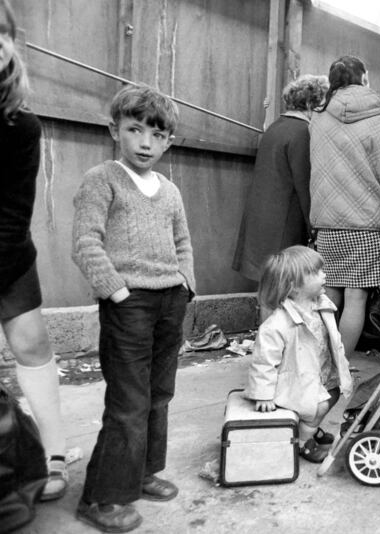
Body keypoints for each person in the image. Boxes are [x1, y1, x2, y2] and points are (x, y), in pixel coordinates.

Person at [72, 85, 194, 532]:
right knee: (128, 401)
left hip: (170, 301)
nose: (145, 142)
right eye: (134, 130)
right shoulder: (102, 179)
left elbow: (183, 242)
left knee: (159, 395)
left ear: (168, 141)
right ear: (114, 130)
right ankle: (101, 498)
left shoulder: (170, 190)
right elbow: (85, 242)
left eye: (157, 135)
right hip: (129, 304)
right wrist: (116, 291)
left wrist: (187, 285)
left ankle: (141, 474)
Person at [0, 0, 67, 502]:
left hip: (8, 256)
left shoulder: (20, 126)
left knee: (31, 346)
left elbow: (11, 215)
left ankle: (54, 451)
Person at [309, 55, 380, 358]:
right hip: (368, 222)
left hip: (327, 220)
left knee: (328, 293)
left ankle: (321, 360)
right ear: (365, 78)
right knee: (357, 297)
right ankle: (342, 363)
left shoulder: (317, 119)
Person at [244, 245, 353, 462]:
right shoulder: (277, 325)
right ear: (293, 287)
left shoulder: (320, 306)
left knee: (333, 393)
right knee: (318, 406)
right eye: (316, 272)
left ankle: (310, 426)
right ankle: (304, 440)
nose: (325, 274)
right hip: (294, 382)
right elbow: (263, 362)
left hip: (317, 373)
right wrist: (263, 394)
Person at [233, 75, 329, 283]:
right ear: (312, 104)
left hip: (262, 216)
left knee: (268, 283)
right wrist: (314, 225)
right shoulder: (303, 132)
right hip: (286, 220)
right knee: (284, 284)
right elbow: (305, 185)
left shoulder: (276, 127)